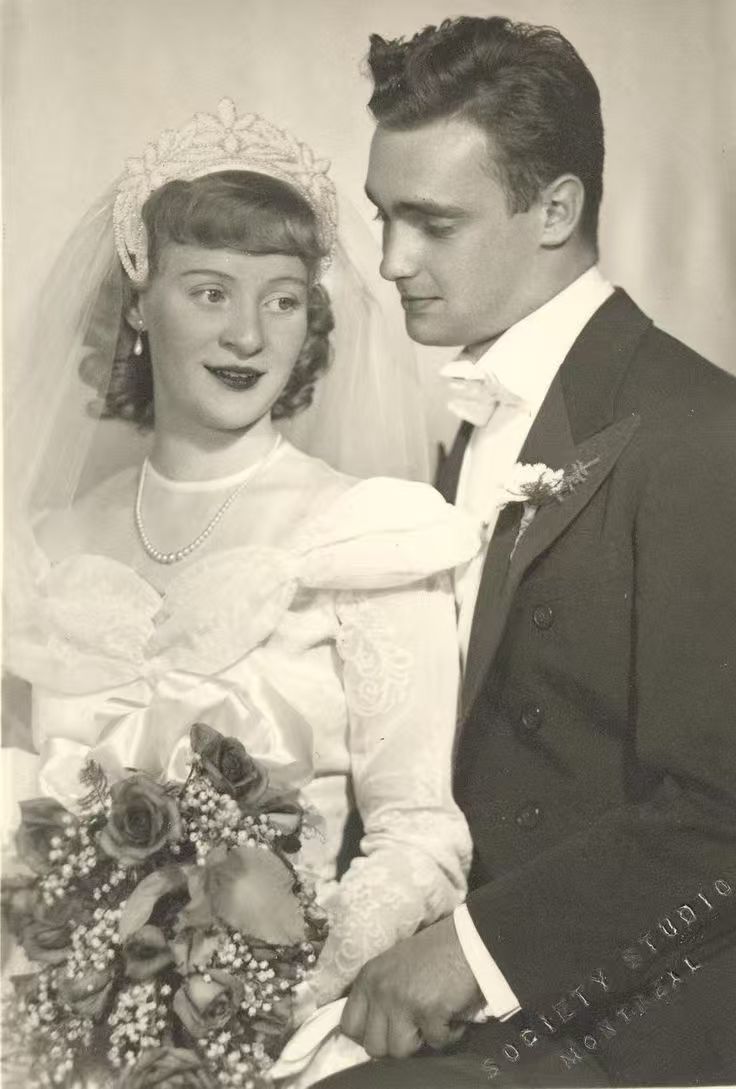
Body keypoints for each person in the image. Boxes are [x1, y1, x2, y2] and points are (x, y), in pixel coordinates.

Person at [2, 100, 482, 1087]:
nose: (248, 335)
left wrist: (265, 979)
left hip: (279, 1042)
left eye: (281, 299)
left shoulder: (363, 531)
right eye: (210, 292)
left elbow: (419, 834)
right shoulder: (44, 549)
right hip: (44, 1021)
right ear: (139, 300)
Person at [318, 15, 736, 1088]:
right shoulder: (471, 418)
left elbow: (722, 811)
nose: (389, 261)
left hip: (627, 1019)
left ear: (555, 208)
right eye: (382, 217)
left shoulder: (702, 434)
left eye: (431, 223)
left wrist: (472, 951)